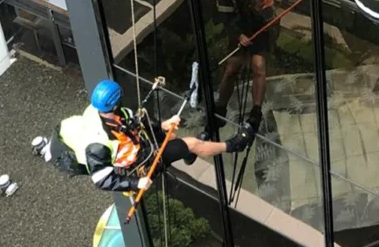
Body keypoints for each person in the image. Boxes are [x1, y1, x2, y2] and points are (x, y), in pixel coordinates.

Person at [46, 79, 254, 192]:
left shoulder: (109, 112)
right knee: (192, 142)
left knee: (171, 138)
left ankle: (187, 153)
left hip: (139, 147)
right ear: (115, 102)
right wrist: (136, 184)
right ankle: (235, 145)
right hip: (137, 166)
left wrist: (164, 125)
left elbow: (138, 124)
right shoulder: (98, 145)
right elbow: (101, 180)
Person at [208, 0, 277, 133]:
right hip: (240, 24)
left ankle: (255, 112)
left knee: (259, 67)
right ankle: (220, 107)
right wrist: (238, 34)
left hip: (262, 24)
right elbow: (226, 13)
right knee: (232, 68)